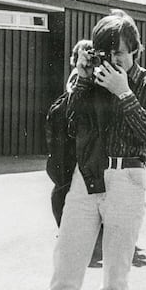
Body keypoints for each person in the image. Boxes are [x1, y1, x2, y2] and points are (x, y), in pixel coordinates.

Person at [13, 10, 146, 290]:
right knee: (64, 274)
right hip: (86, 179)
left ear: (136, 50)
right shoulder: (91, 80)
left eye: (120, 54)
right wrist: (81, 80)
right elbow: (65, 122)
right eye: (105, 53)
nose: (113, 61)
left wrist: (124, 93)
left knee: (115, 280)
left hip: (129, 177)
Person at [47, 39, 103, 266]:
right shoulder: (75, 77)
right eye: (82, 54)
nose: (86, 59)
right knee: (64, 190)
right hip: (71, 143)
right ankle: (71, 233)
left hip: (83, 141)